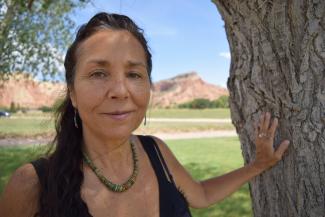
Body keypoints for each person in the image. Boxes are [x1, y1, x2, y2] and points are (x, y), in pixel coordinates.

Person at [0, 12, 290, 217]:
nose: (120, 90)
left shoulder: (156, 151)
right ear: (72, 93)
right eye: (99, 73)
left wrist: (257, 165)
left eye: (134, 74)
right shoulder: (32, 184)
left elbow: (200, 195)